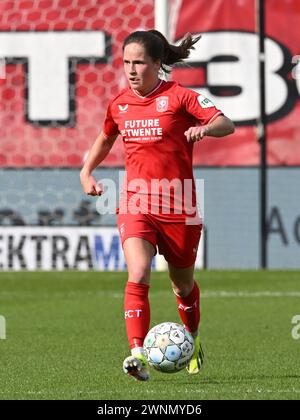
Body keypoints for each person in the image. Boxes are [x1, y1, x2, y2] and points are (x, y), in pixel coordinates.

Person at [80, 29, 235, 381]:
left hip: (180, 205)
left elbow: (227, 124)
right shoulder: (119, 103)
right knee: (138, 273)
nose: (131, 70)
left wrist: (206, 130)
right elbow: (106, 137)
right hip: (135, 202)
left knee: (182, 285)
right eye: (126, 63)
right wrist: (87, 170)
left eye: (139, 62)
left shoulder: (180, 97)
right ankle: (137, 356)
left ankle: (192, 339)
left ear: (157, 63)